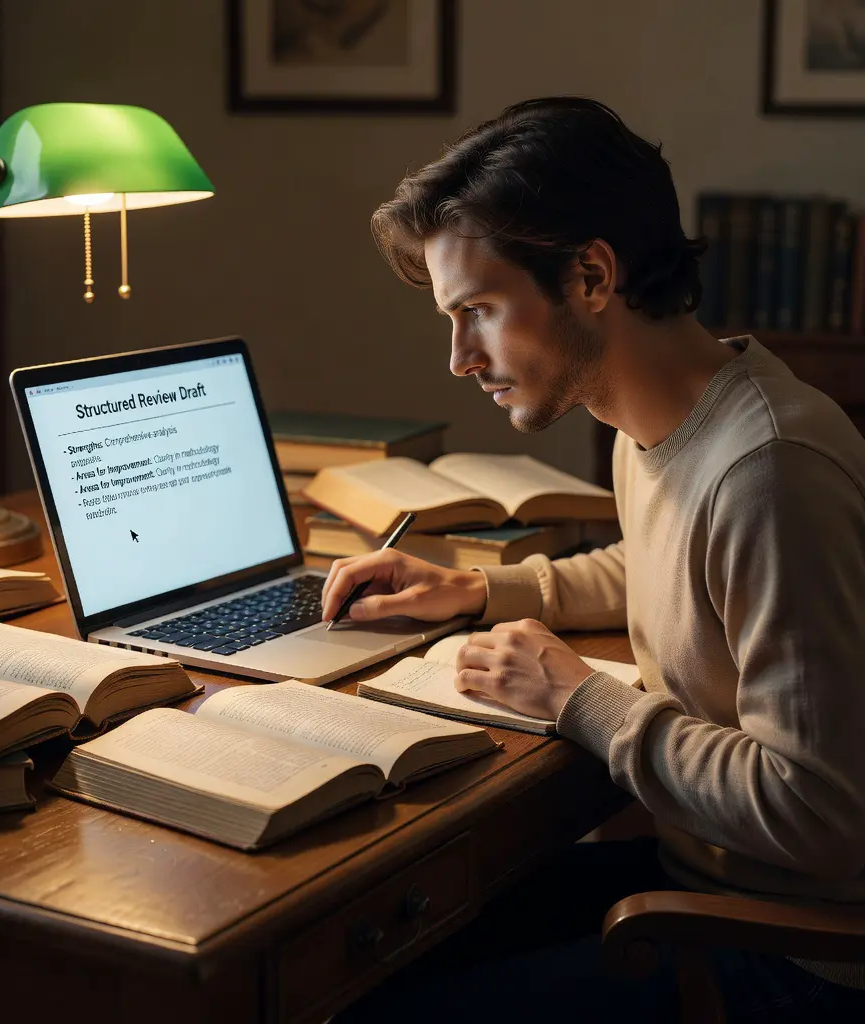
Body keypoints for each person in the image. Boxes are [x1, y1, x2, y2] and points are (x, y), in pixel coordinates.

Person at [323, 97, 865, 1021]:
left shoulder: (771, 472)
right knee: (351, 963)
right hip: (707, 879)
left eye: (481, 311)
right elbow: (667, 569)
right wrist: (475, 590)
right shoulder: (653, 416)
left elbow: (819, 815)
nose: (459, 357)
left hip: (796, 954)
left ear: (591, 275)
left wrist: (579, 698)